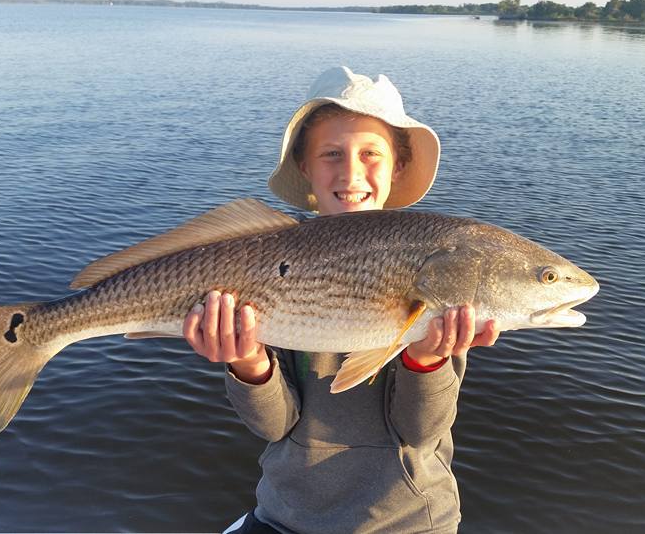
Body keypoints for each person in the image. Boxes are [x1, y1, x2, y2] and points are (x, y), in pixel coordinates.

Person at [183, 66, 500, 534]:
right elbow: (275, 427)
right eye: (332, 154)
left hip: (407, 522)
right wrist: (249, 363)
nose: (351, 172)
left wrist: (427, 359)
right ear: (305, 169)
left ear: (398, 166)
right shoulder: (267, 255)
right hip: (284, 516)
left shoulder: (441, 283)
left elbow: (419, 432)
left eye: (371, 154)